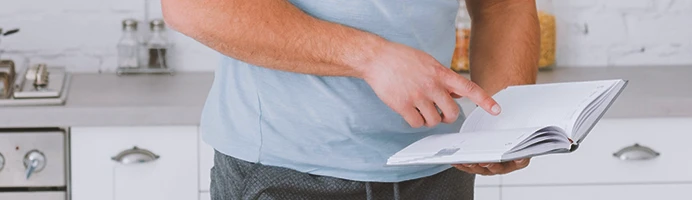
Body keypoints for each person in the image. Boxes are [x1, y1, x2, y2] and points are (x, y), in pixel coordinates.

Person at [161, 0, 540, 199]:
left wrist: (500, 123)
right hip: (285, 173)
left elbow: (503, 5)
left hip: (438, 171)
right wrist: (371, 58)